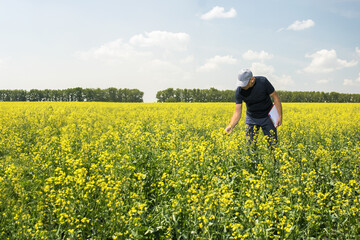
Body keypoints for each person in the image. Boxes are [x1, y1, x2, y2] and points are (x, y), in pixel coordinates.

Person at [224, 69, 282, 164]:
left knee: (273, 145)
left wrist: (279, 116)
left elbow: (275, 96)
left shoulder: (263, 82)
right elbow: (237, 112)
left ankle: (276, 167)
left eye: (244, 83)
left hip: (268, 117)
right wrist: (231, 126)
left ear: (252, 80)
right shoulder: (239, 91)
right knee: (250, 147)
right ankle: (252, 168)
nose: (242, 86)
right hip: (251, 118)